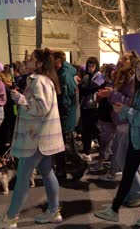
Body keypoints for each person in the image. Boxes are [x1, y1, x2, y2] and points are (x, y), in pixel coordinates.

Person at [0, 49, 65, 228]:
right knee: (47, 172)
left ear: (39, 63)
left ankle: (10, 218)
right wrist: (20, 98)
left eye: (31, 59)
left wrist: (22, 100)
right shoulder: (44, 80)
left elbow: (41, 108)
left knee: (23, 176)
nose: (27, 61)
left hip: (36, 138)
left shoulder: (39, 80)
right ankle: (54, 211)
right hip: (41, 137)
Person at [94, 58, 140, 227]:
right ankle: (114, 210)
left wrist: (125, 110)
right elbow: (136, 115)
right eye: (138, 69)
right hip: (137, 139)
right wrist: (122, 110)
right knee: (127, 174)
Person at [52, 49, 87, 181]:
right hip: (65, 115)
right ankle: (61, 171)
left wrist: (62, 111)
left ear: (58, 60)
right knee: (61, 145)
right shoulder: (66, 71)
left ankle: (79, 164)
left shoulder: (65, 75)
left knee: (65, 145)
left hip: (65, 116)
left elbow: (66, 98)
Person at [79, 57, 104, 162]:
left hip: (95, 108)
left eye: (93, 65)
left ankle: (104, 153)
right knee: (86, 131)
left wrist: (81, 87)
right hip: (85, 107)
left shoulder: (99, 76)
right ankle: (86, 152)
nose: (91, 68)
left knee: (97, 131)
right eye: (89, 65)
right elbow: (82, 90)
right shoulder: (86, 77)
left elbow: (89, 89)